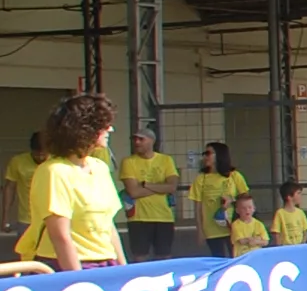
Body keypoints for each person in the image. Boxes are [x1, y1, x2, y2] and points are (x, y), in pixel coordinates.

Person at [16, 93, 123, 271]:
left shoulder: (100, 168)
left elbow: (108, 226)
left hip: (106, 263)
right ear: (85, 130)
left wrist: (123, 271)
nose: (110, 130)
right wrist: (78, 281)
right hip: (65, 266)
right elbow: (60, 236)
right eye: (104, 125)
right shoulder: (54, 171)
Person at [118, 129, 180, 263]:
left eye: (141, 139)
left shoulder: (166, 160)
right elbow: (133, 192)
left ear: (152, 141)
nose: (137, 142)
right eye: (135, 139)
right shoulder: (128, 162)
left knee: (164, 257)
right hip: (138, 218)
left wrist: (145, 185)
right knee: (140, 257)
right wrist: (160, 187)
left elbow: (172, 187)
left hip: (164, 217)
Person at [189, 141, 250, 254]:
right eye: (204, 153)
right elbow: (197, 207)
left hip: (233, 226)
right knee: (218, 258)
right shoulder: (201, 178)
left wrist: (232, 200)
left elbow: (246, 199)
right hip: (211, 229)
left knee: (236, 257)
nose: (205, 157)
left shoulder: (234, 176)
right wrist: (200, 230)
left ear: (219, 155)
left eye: (208, 153)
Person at [3, 133, 43, 229]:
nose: (41, 158)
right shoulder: (18, 162)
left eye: (44, 154)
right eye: (37, 154)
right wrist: (5, 217)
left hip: (50, 219)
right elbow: (10, 189)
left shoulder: (55, 163)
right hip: (26, 220)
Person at [273, 181, 307, 246]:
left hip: (299, 247)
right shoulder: (280, 213)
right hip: (285, 248)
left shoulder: (300, 213)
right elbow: (277, 233)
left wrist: (302, 245)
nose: (300, 196)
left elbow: (305, 232)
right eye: (298, 193)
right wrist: (279, 248)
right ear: (289, 197)